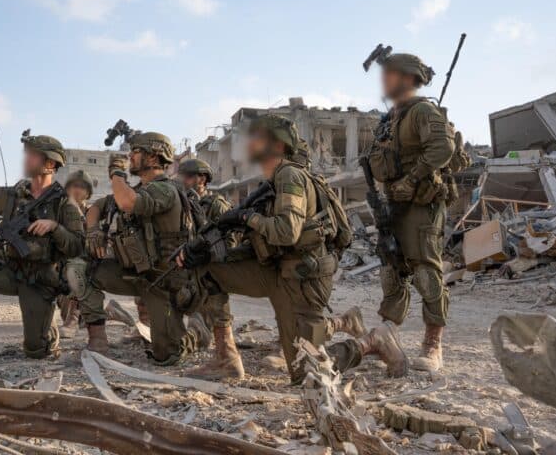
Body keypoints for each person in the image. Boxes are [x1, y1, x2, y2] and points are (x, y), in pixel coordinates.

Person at [177, 115, 370, 383]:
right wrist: (218, 250)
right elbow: (264, 240)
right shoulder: (272, 182)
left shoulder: (290, 175)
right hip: (277, 270)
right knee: (209, 269)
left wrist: (246, 217)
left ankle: (368, 342)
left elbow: (287, 232)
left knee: (306, 373)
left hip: (304, 279)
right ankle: (226, 359)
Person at [0, 131, 84, 359]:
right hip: (9, 271)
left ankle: (46, 328)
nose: (26, 159)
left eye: (33, 155)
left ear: (50, 163)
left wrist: (55, 227)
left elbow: (78, 246)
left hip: (40, 280)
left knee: (36, 351)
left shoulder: (64, 204)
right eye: (26, 153)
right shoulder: (12, 196)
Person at [79, 132, 210, 365]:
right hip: (136, 274)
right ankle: (97, 340)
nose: (130, 156)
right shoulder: (139, 188)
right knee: (80, 271)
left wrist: (116, 173)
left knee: (167, 354)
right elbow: (96, 207)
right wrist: (93, 231)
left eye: (136, 152)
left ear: (153, 156)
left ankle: (197, 333)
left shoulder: (165, 189)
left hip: (163, 282)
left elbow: (127, 202)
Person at [365, 52, 455, 371]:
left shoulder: (422, 111)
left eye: (389, 75)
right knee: (392, 269)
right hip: (394, 204)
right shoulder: (390, 120)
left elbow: (443, 148)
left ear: (406, 78)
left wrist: (412, 178)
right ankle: (388, 335)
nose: (384, 81)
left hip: (421, 203)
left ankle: (433, 345)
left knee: (426, 271)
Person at [177, 159, 243, 379]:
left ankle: (225, 358)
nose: (183, 181)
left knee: (207, 318)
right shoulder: (182, 205)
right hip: (190, 274)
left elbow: (229, 245)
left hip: (211, 274)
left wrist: (205, 248)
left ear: (202, 179)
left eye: (187, 177)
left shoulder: (217, 205)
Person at [56, 170, 94, 339]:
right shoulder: (59, 212)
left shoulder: (93, 212)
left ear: (88, 192)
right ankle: (109, 312)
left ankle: (71, 320)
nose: (76, 190)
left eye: (81, 187)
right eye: (73, 186)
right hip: (61, 267)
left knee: (75, 267)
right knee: (83, 320)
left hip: (84, 267)